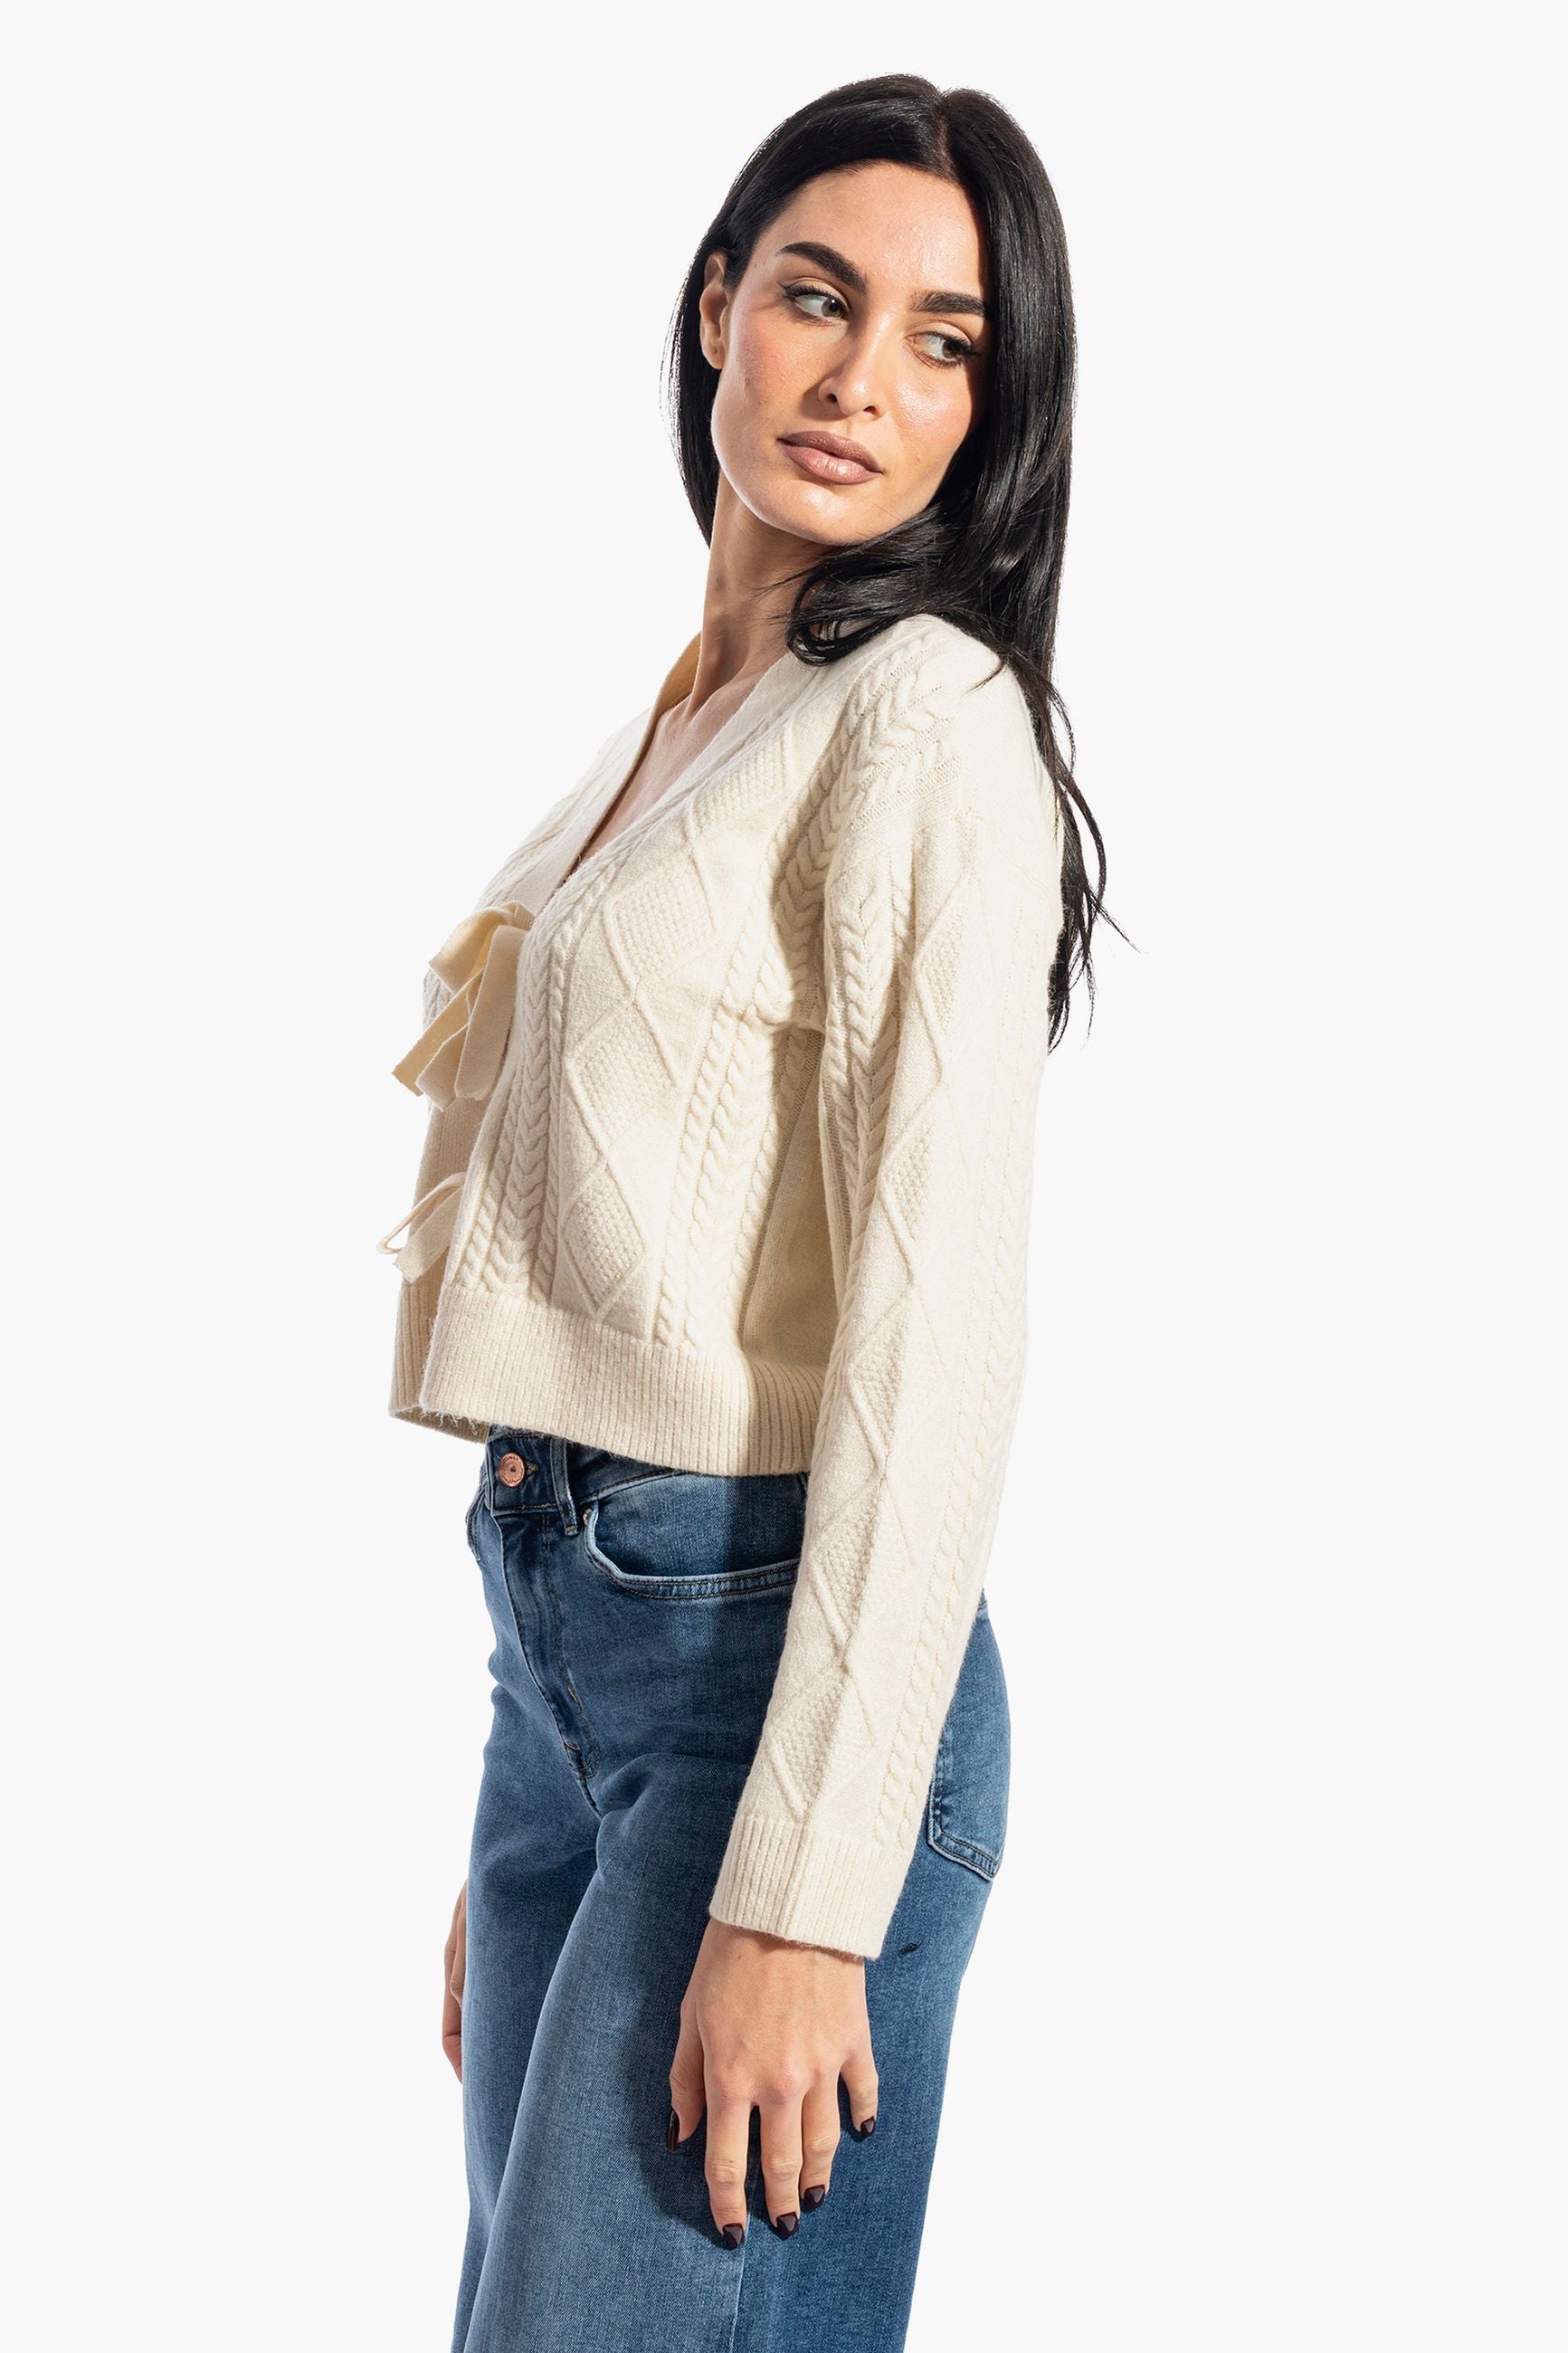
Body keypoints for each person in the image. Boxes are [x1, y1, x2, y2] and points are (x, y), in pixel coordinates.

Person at [376, 71, 1109, 2353]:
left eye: (942, 340)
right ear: (718, 308)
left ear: (988, 409)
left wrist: (805, 1890)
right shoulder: (703, 710)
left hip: (778, 1698)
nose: (861, 377)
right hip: (576, 1668)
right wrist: (544, 1779)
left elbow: (935, 1331)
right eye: (817, 296)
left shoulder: (927, 718)